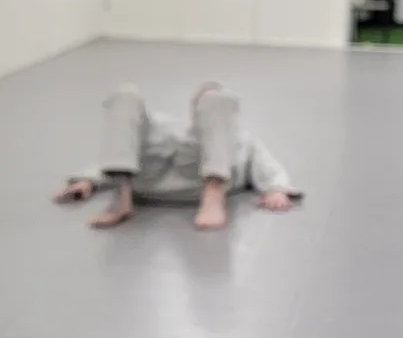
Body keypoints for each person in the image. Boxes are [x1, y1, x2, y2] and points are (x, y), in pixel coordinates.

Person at [53, 83, 300, 231]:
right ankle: (122, 197)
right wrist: (87, 181)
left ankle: (213, 196)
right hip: (146, 177)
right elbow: (125, 146)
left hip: (199, 180)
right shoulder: (167, 124)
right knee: (125, 95)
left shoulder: (240, 138)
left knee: (221, 98)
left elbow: (269, 165)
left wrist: (276, 189)